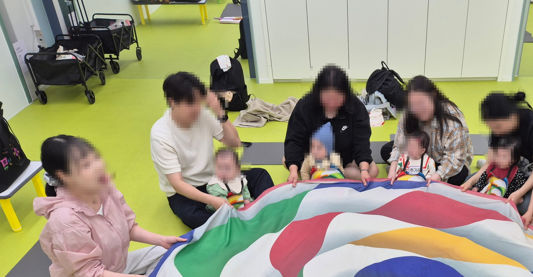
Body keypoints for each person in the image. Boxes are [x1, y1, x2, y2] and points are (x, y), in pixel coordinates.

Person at [35, 136, 186, 277]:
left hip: (115, 264)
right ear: (64, 176)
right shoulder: (65, 219)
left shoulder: (103, 187)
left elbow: (129, 227)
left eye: (95, 158)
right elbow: (89, 274)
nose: (98, 166)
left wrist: (161, 240)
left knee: (172, 251)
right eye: (86, 165)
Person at [150, 72, 274, 229]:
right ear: (172, 102)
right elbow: (177, 184)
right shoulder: (160, 135)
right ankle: (242, 221)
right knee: (192, 215)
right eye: (190, 103)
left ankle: (260, 214)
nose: (196, 109)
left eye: (198, 102)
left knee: (260, 175)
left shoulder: (202, 115)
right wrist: (213, 200)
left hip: (215, 179)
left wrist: (220, 113)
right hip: (186, 192)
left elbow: (234, 143)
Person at [285, 65, 378, 187]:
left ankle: (328, 175)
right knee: (287, 160)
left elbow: (362, 143)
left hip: (345, 160)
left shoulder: (355, 107)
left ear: (345, 94)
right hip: (314, 160)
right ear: (318, 93)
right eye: (327, 98)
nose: (332, 103)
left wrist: (364, 170)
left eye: (337, 98)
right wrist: (293, 170)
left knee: (373, 170)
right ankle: (314, 173)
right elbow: (294, 140)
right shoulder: (305, 106)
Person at [385, 76, 473, 186]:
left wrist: (437, 175)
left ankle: (414, 170)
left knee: (459, 174)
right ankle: (413, 169)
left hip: (442, 159)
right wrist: (393, 170)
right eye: (413, 105)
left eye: (421, 103)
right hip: (420, 152)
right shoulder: (410, 113)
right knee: (386, 150)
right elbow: (399, 144)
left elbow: (454, 158)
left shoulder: (452, 120)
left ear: (433, 96)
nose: (417, 109)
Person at [479, 91, 533, 210]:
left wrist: (519, 193)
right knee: (470, 184)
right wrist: (471, 181)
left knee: (523, 206)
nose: (496, 132)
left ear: (512, 116)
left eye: (498, 127)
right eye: (492, 128)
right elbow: (490, 162)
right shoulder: (497, 125)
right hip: (504, 171)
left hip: (528, 177)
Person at [461, 138, 530, 199]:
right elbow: (483, 177)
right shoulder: (493, 166)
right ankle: (481, 163)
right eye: (498, 155)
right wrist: (477, 187)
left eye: (504, 157)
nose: (499, 159)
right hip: (489, 192)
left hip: (504, 198)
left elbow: (521, 185)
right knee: (469, 181)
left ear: (513, 160)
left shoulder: (516, 173)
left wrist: (519, 197)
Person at [206, 147, 253, 211]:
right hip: (222, 211)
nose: (223, 171)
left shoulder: (240, 180)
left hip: (239, 207)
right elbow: (223, 205)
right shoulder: (216, 184)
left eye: (227, 168)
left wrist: (248, 207)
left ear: (237, 169)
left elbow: (246, 195)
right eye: (219, 167)